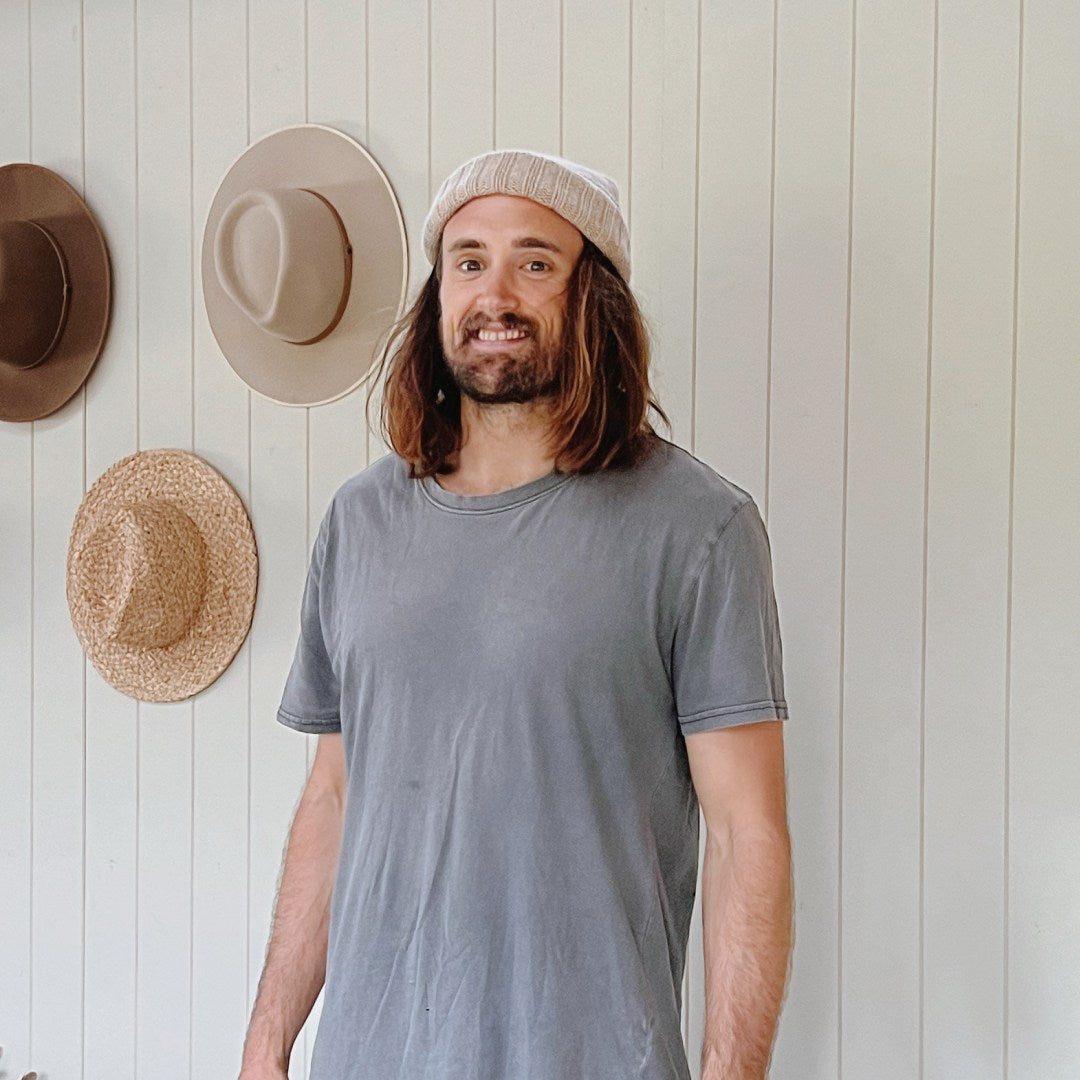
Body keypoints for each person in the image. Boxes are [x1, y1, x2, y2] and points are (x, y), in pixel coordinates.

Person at [238, 150, 793, 1080]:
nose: (494, 290)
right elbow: (335, 794)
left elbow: (749, 836)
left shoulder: (698, 528)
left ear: (593, 299)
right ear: (437, 295)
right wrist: (265, 1047)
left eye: (535, 262)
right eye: (467, 260)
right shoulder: (360, 524)